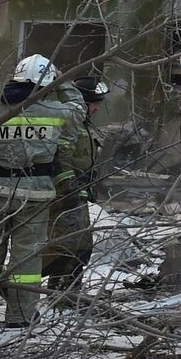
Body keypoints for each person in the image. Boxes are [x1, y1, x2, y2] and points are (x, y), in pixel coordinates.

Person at [0, 55, 91, 328]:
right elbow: (80, 109)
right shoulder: (56, 111)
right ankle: (21, 315)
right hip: (36, 194)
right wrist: (64, 81)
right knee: (27, 257)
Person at [44, 76, 107, 297]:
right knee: (63, 247)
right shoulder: (68, 123)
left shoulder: (84, 125)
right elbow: (59, 156)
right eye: (93, 104)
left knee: (81, 247)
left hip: (78, 193)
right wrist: (68, 187)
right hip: (64, 194)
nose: (97, 108)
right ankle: (13, 281)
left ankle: (65, 293)